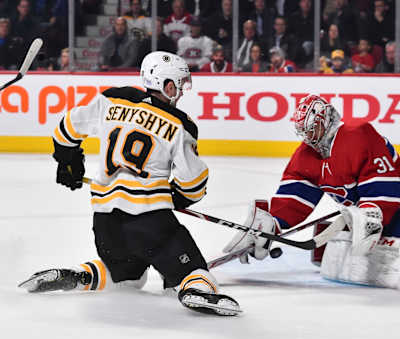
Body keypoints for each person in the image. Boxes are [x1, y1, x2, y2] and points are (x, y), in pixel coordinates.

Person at [18, 51, 241, 316]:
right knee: (191, 271)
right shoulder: (180, 124)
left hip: (105, 221)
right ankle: (196, 289)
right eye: (179, 85)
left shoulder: (112, 98)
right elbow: (193, 183)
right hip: (151, 222)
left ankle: (82, 275)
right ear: (167, 85)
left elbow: (66, 129)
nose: (181, 92)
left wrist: (68, 162)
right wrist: (176, 197)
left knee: (126, 276)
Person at [223, 95, 400, 293]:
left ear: (328, 120)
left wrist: (370, 216)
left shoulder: (357, 134)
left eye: (314, 128)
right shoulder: (305, 156)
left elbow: (382, 186)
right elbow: (295, 198)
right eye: (305, 131)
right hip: (381, 207)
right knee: (350, 237)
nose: (310, 137)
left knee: (386, 244)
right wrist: (272, 223)